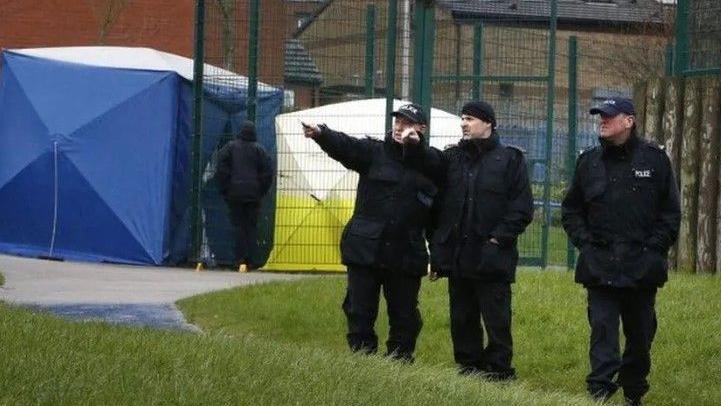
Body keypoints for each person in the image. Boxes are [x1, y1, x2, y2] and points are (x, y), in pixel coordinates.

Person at [400, 101, 534, 380]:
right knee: (462, 318)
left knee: (497, 319)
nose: (463, 123)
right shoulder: (453, 158)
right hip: (459, 255)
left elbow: (521, 208)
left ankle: (498, 372)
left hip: (493, 256)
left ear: (488, 123)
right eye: (462, 118)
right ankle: (468, 369)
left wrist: (498, 239)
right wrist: (414, 145)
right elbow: (430, 166)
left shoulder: (510, 159)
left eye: (470, 118)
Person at [561, 97, 680, 405]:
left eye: (609, 116)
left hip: (642, 265)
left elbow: (670, 213)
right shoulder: (588, 162)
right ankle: (599, 391)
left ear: (629, 121)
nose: (602, 121)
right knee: (602, 331)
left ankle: (633, 391)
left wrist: (654, 249)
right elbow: (572, 209)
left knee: (640, 336)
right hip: (600, 265)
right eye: (600, 116)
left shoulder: (655, 161)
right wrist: (585, 243)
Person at [301, 103, 437, 362]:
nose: (399, 127)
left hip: (406, 253)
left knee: (405, 314)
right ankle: (362, 360)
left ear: (421, 128)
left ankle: (399, 362)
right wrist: (321, 133)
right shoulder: (374, 152)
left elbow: (437, 214)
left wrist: (439, 255)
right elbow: (346, 146)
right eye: (397, 121)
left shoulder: (431, 164)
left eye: (407, 123)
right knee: (359, 310)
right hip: (365, 249)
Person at [216, 120, 274, 272]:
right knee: (251, 227)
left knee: (238, 226)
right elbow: (268, 172)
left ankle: (238, 259)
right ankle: (251, 260)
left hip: (234, 194)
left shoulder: (230, 148)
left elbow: (221, 168)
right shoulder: (259, 150)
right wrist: (261, 190)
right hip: (254, 195)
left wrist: (226, 188)